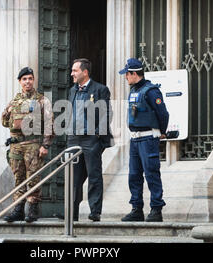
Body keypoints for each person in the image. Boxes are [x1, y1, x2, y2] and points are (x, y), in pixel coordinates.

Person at [119, 58, 169, 222]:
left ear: (134, 73)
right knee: (134, 175)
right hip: (135, 140)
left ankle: (156, 209)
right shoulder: (134, 90)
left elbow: (163, 114)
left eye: (127, 74)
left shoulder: (151, 91)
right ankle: (137, 209)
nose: (125, 77)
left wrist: (162, 131)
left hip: (148, 138)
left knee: (151, 174)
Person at [1, 67, 54, 223]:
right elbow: (4, 122)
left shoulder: (42, 100)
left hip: (32, 144)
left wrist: (45, 145)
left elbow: (50, 124)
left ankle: (32, 209)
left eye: (30, 78)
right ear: (20, 82)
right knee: (18, 178)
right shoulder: (14, 101)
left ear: (33, 80)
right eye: (24, 79)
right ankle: (18, 209)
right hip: (16, 146)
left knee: (32, 178)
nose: (27, 81)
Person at [67, 58, 113, 222]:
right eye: (72, 70)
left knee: (94, 175)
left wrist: (98, 135)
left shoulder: (100, 89)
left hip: (91, 139)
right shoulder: (72, 90)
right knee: (74, 177)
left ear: (85, 72)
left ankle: (95, 211)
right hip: (74, 138)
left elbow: (106, 114)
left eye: (75, 70)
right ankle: (72, 213)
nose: (72, 73)